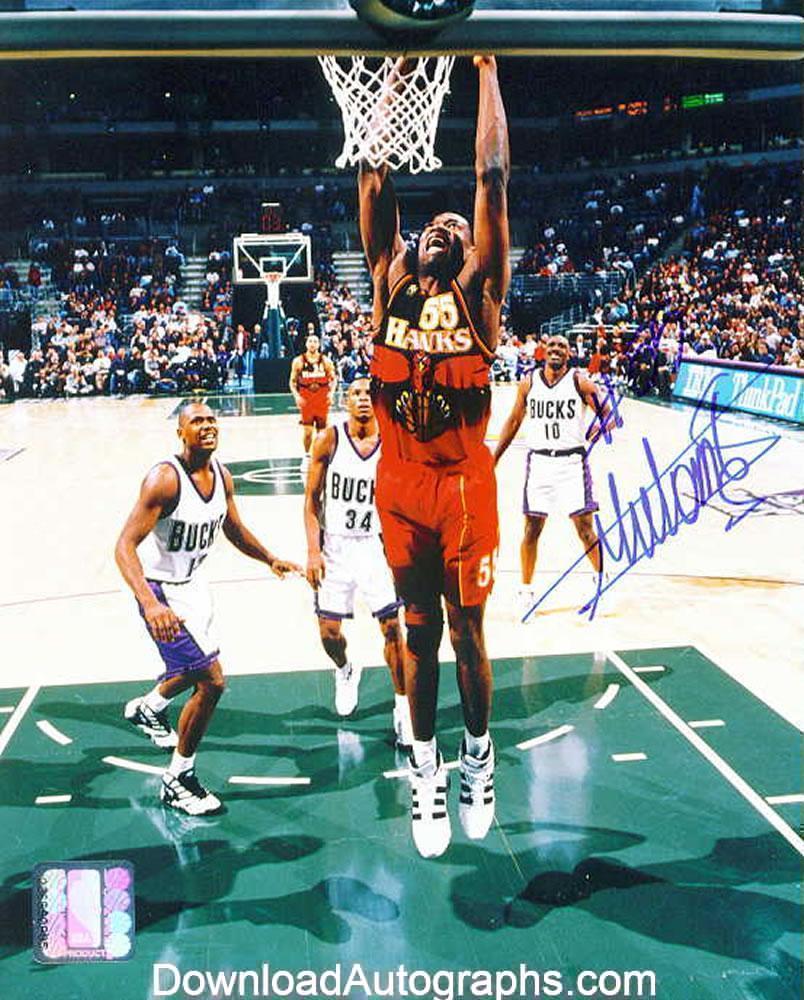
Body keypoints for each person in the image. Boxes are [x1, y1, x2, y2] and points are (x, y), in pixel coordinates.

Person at [359, 55, 509, 858]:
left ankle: (478, 758)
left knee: (466, 630)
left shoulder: (480, 296)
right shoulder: (388, 280)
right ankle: (425, 768)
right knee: (416, 634)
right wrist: (392, 77)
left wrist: (485, 67)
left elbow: (490, 177)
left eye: (458, 228)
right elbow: (374, 174)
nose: (444, 228)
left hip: (463, 483)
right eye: (436, 223)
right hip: (400, 483)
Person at [115, 401, 301, 816]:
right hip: (161, 592)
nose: (207, 426)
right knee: (212, 681)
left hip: (194, 588)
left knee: (195, 666)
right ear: (180, 432)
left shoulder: (222, 475)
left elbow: (233, 527)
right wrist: (149, 603)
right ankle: (177, 779)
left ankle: (149, 707)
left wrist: (269, 558)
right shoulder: (165, 479)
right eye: (196, 421)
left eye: (211, 420)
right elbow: (124, 545)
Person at [304, 378, 412, 749]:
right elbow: (311, 501)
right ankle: (345, 669)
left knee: (392, 628)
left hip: (375, 546)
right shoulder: (328, 440)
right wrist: (313, 550)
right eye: (356, 394)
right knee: (329, 634)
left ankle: (403, 708)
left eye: (369, 394)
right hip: (334, 546)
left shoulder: (393, 442)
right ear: (345, 400)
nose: (363, 399)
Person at [493, 334, 614, 616]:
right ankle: (526, 591)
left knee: (585, 530)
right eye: (552, 346)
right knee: (531, 529)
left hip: (572, 462)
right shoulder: (529, 382)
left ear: (569, 354)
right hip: (539, 462)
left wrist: (600, 428)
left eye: (562, 346)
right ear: (543, 352)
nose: (556, 350)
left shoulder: (579, 382)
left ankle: (601, 581)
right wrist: (495, 457)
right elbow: (514, 420)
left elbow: (610, 415)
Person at [289, 333, 337, 470]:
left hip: (321, 399)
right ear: (306, 344)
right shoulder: (298, 361)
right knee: (308, 432)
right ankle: (307, 456)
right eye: (310, 341)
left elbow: (334, 379)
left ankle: (321, 456)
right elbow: (292, 382)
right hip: (307, 399)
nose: (312, 344)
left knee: (322, 432)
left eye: (315, 341)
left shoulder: (326, 361)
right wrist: (297, 396)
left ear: (319, 344)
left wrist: (331, 394)